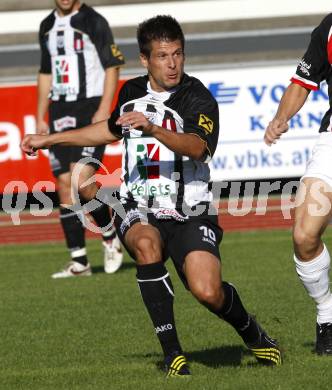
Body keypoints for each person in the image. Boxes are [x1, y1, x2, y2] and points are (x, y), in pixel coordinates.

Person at [23, 15, 281, 375]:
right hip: (140, 205)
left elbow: (198, 148)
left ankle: (251, 331)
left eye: (178, 54)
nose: (172, 64)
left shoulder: (198, 97)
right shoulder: (131, 93)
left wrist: (154, 128)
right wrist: (47, 139)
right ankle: (173, 354)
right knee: (145, 244)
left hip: (191, 209)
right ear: (145, 59)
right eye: (162, 56)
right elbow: (109, 130)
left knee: (207, 291)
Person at [37, 0, 125, 278]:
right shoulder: (47, 26)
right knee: (64, 183)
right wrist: (40, 115)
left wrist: (104, 107)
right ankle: (79, 262)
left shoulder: (93, 21)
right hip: (60, 108)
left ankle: (110, 235)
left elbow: (112, 65)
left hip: (89, 107)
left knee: (82, 181)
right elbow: (45, 72)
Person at [264, 14, 332, 355]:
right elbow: (302, 81)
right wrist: (280, 118)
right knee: (304, 235)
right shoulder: (329, 28)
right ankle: (327, 314)